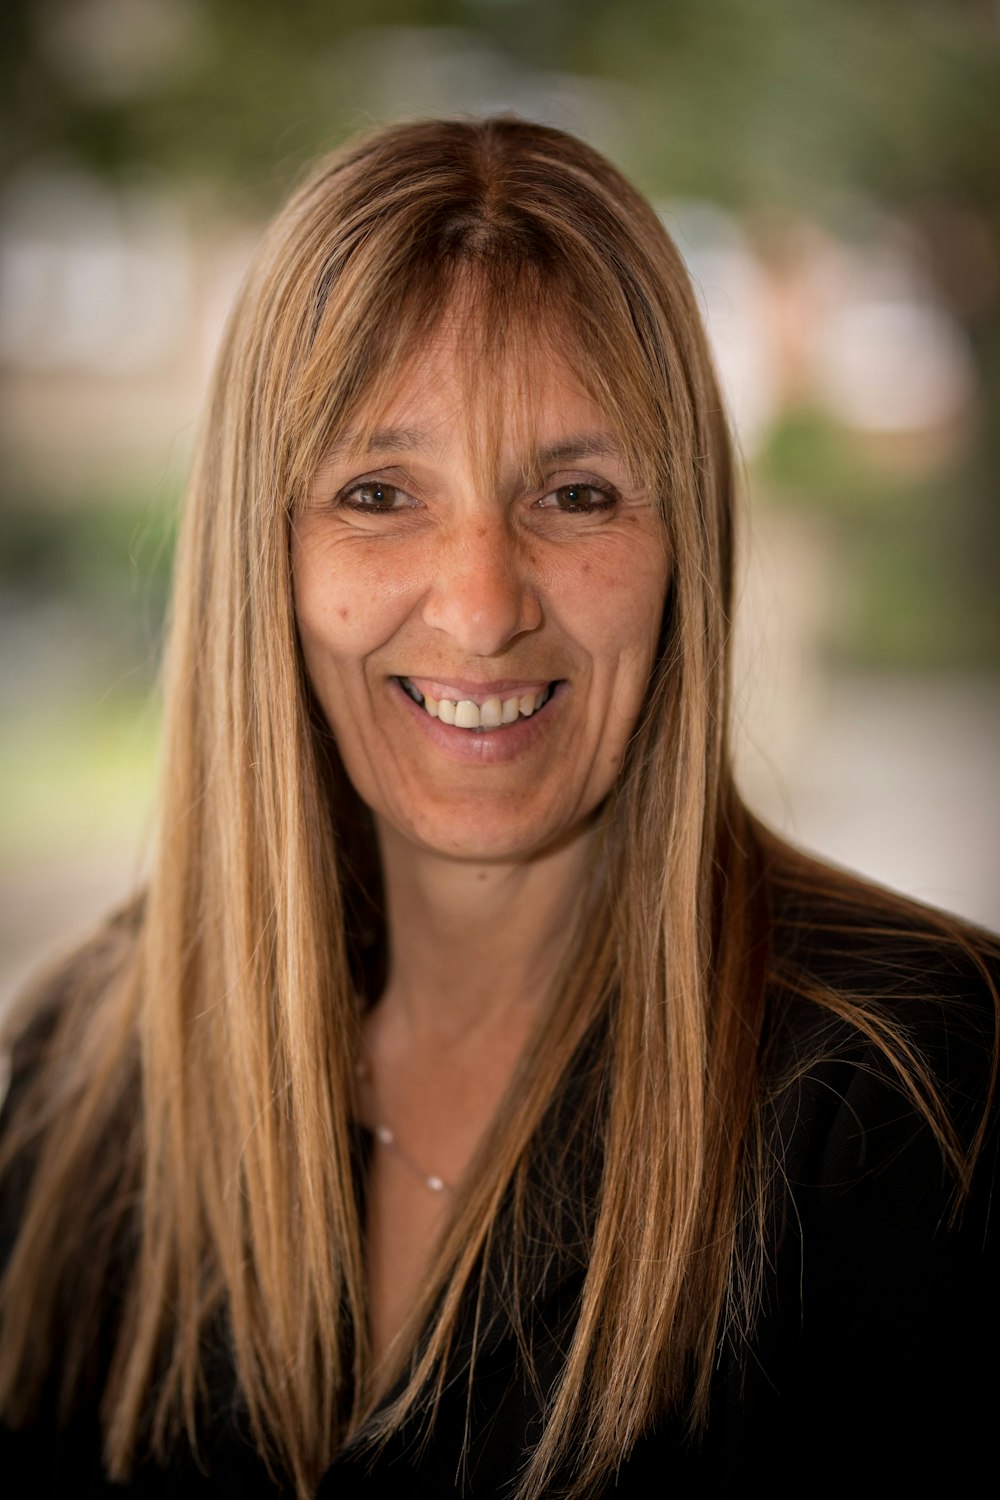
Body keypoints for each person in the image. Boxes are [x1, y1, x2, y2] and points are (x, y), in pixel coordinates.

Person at [0, 116, 996, 1499]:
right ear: (264, 559)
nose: (480, 606)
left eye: (576, 494)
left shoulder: (932, 1090)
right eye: (379, 493)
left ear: (680, 546)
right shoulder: (79, 1088)